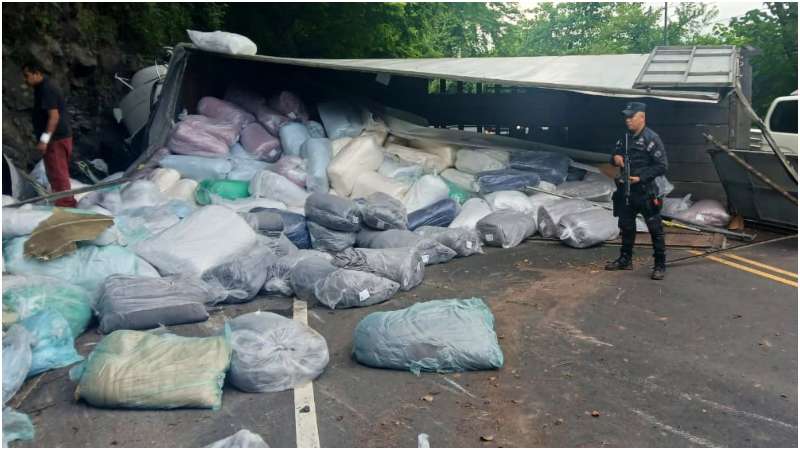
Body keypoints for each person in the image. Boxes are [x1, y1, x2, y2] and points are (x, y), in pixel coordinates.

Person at [605, 102, 668, 280]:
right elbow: (613, 156)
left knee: (655, 228)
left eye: (631, 116)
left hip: (645, 191)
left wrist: (641, 177)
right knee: (626, 226)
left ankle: (660, 264)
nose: (628, 120)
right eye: (626, 117)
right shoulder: (624, 138)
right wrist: (615, 158)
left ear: (642, 117)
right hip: (626, 191)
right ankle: (625, 260)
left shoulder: (651, 138)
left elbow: (662, 166)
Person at [23, 61, 76, 207]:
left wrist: (44, 140)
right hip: (57, 138)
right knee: (55, 173)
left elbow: (54, 116)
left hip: (56, 139)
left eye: (27, 75)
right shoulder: (41, 87)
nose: (25, 79)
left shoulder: (47, 88)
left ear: (37, 73)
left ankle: (66, 205)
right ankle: (63, 202)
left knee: (58, 174)